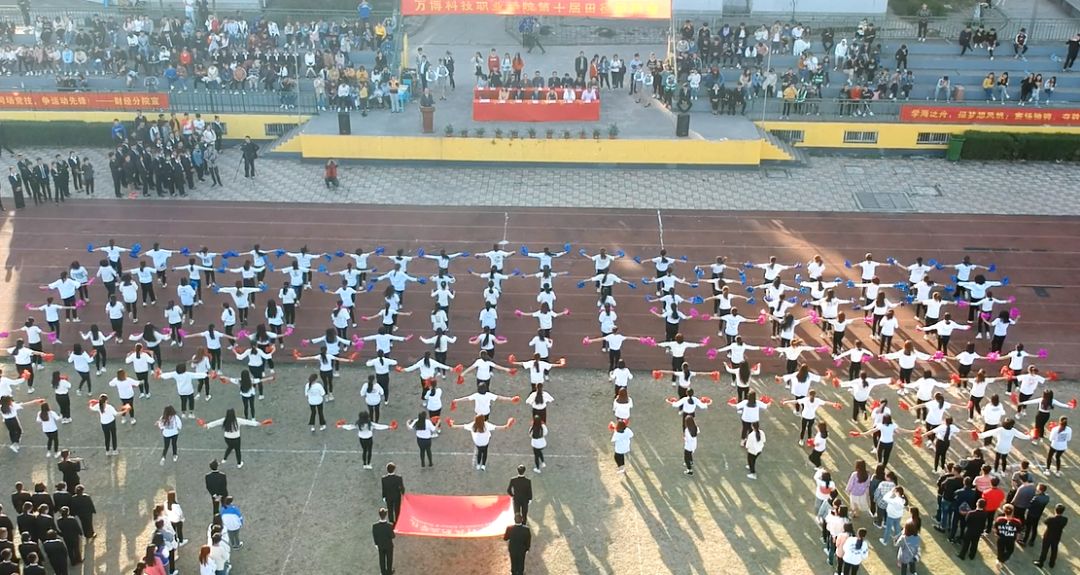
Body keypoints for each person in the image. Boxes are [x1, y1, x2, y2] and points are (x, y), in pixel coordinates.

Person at [1034, 504, 1068, 568]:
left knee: (1045, 549)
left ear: (1055, 510)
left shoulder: (1051, 519)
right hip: (1057, 536)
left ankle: (1041, 562)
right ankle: (1052, 563)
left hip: (1048, 535)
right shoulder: (1065, 519)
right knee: (1054, 549)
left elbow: (1045, 522)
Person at [994, 503, 1022, 569]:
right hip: (1011, 539)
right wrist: (1017, 539)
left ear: (1004, 511)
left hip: (1001, 538)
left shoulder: (999, 519)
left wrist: (997, 535)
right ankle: (1001, 560)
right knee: (1010, 550)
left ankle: (999, 561)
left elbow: (995, 529)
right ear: (1012, 512)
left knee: (1000, 550)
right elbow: (1018, 532)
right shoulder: (1017, 522)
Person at [372, 507, 395, 575]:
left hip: (381, 545)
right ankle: (389, 571)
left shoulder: (375, 526)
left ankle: (383, 572)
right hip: (388, 546)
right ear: (386, 515)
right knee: (389, 559)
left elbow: (375, 536)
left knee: (382, 559)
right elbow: (393, 536)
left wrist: (376, 544)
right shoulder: (389, 526)